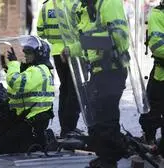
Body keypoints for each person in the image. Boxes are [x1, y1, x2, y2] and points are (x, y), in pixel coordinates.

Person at [66, 0, 131, 167]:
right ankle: (111, 151)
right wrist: (73, 49)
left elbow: (119, 38)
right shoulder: (86, 9)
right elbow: (86, 42)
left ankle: (109, 159)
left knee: (106, 117)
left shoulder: (109, 4)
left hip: (111, 70)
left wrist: (82, 44)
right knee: (98, 115)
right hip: (97, 71)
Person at [0, 35, 54, 154]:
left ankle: (44, 138)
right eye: (25, 51)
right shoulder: (32, 69)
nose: (25, 54)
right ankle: (39, 140)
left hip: (33, 121)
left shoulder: (39, 70)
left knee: (0, 148)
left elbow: (16, 82)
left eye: (29, 52)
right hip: (24, 117)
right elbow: (18, 88)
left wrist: (14, 64)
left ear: (40, 54)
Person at [37, 0, 81, 138]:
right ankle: (69, 128)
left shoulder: (46, 6)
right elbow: (83, 28)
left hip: (56, 51)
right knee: (75, 91)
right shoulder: (75, 4)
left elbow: (41, 32)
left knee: (65, 89)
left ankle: (65, 127)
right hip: (74, 51)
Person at [139, 0, 164, 157]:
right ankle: (150, 141)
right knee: (152, 112)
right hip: (161, 75)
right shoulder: (157, 14)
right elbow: (157, 45)